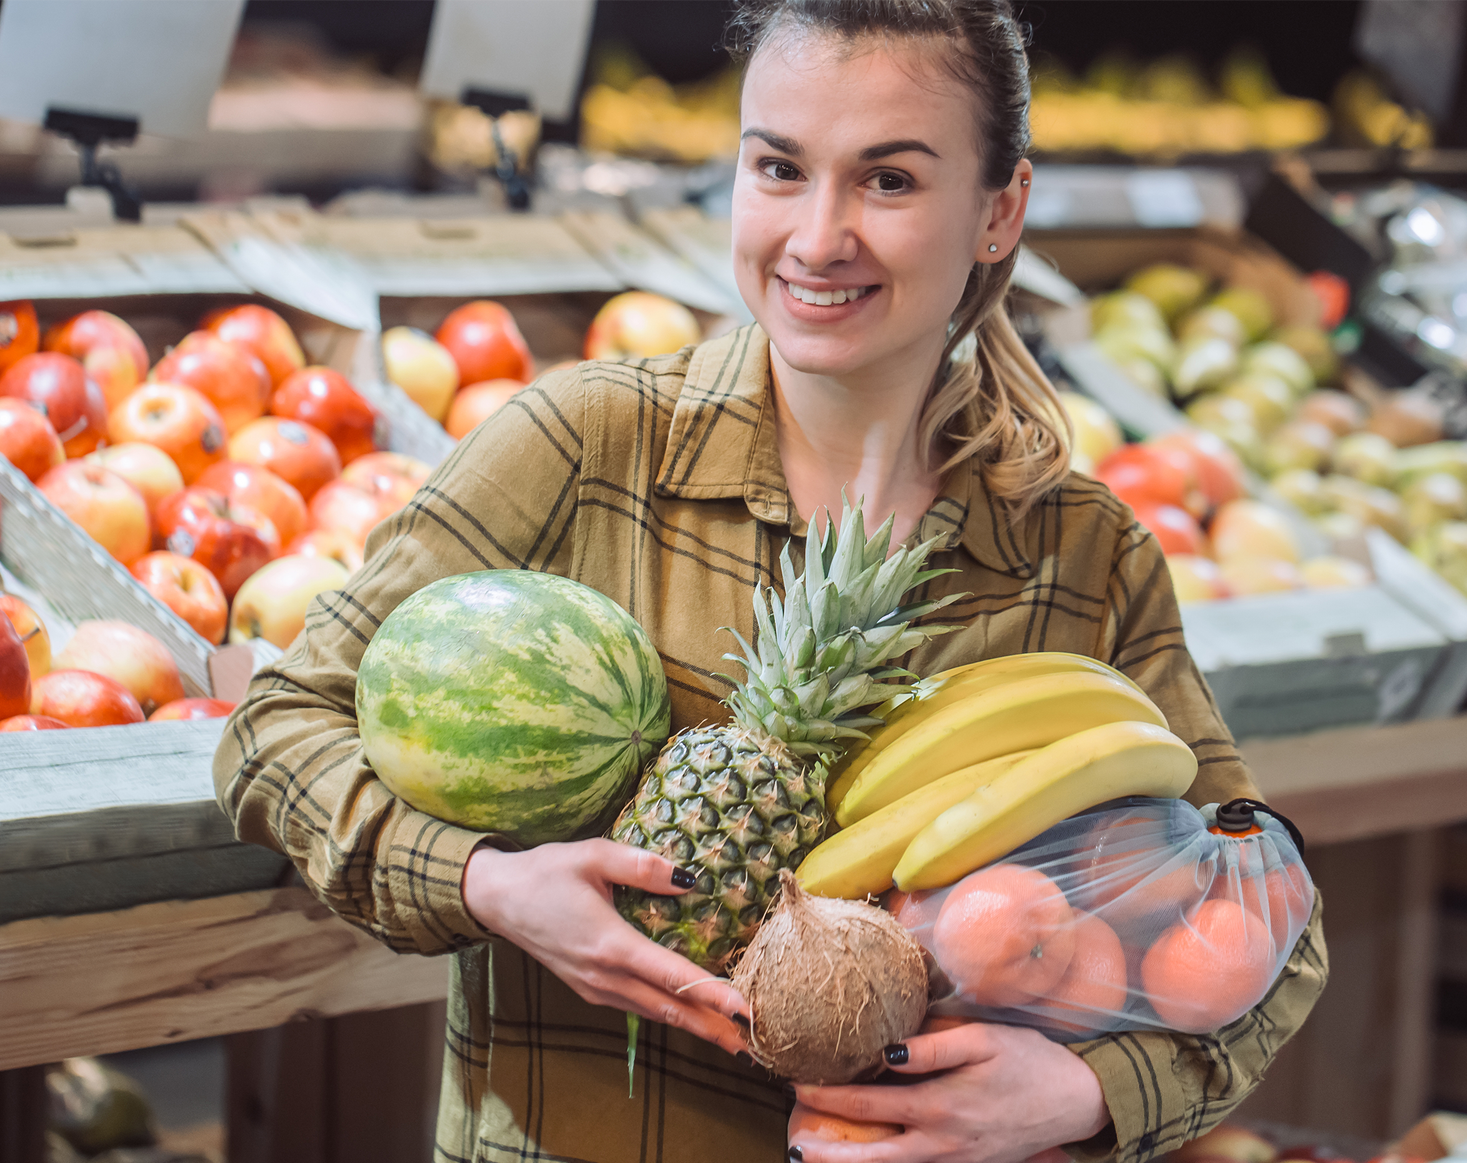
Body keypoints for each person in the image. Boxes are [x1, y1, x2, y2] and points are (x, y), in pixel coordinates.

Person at [215, 1, 1328, 1160]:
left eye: (888, 181)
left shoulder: (1078, 554)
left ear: (998, 211)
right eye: (779, 168)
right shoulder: (591, 446)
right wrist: (488, 883)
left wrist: (1089, 1092)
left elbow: (1267, 917)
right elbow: (275, 726)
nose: (817, 236)